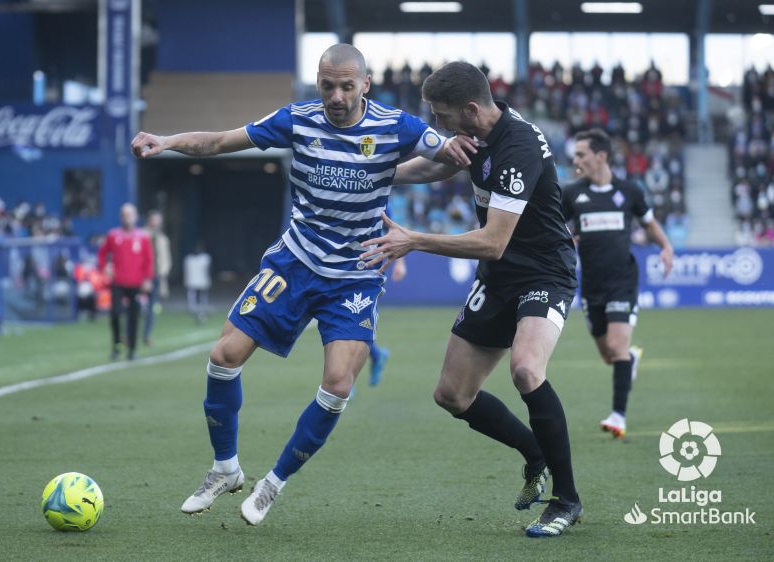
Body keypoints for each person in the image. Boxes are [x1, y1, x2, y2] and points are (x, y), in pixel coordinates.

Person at [131, 43, 469, 526]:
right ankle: (225, 468)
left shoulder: (397, 127)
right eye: (327, 85)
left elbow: (448, 159)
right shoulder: (297, 119)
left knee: (337, 383)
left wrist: (412, 167)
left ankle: (273, 484)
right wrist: (166, 140)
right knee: (223, 357)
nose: (335, 95)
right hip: (295, 261)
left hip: (355, 272)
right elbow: (223, 141)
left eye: (346, 86)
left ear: (365, 86)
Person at [361, 61, 583, 537]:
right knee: (452, 394)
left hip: (544, 272)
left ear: (469, 108)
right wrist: (380, 176)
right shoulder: (477, 130)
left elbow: (493, 241)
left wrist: (416, 240)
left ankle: (566, 499)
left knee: (525, 368)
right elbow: (441, 162)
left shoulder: (518, 145)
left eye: (441, 115)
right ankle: (534, 451)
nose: (438, 125)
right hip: (498, 279)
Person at [562, 128, 674, 439]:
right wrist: (567, 238)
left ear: (601, 156)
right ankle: (631, 358)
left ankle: (618, 416)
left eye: (582, 154)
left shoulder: (630, 191)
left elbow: (649, 224)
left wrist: (666, 247)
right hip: (592, 285)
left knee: (616, 346)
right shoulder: (572, 194)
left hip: (623, 280)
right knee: (609, 355)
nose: (577, 160)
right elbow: (555, 227)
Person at [97, 204, 154, 361]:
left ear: (135, 217)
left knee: (134, 316)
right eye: (124, 215)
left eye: (129, 215)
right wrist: (105, 268)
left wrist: (147, 279)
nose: (127, 218)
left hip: (136, 283)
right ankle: (116, 346)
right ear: (120, 217)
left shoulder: (143, 237)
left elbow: (149, 260)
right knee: (115, 313)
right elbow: (102, 254)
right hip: (117, 282)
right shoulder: (113, 235)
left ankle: (132, 349)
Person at [366, 256, 406, 387]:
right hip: (335, 270)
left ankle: (343, 383)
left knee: (349, 326)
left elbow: (393, 235)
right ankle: (377, 355)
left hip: (363, 274)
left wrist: (400, 262)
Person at [143, 210, 172, 345]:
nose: (156, 222)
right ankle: (127, 335)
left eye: (158, 220)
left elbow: (166, 259)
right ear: (149, 220)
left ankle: (147, 335)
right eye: (154, 219)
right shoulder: (141, 235)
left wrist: (162, 273)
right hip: (140, 277)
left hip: (155, 276)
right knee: (132, 307)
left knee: (151, 308)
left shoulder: (162, 239)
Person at [183, 242, 211, 325]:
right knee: (193, 296)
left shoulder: (204, 258)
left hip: (201, 280)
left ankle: (201, 310)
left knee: (201, 296)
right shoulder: (189, 259)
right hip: (195, 281)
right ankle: (194, 310)